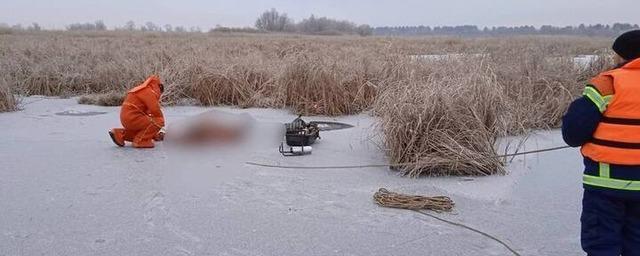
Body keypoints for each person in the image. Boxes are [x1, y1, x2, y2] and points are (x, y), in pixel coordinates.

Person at [562, 30, 640, 255]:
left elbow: (573, 133)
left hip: (606, 186)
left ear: (623, 56)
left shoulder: (608, 83)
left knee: (602, 246)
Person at [109, 75, 165, 148]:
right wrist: (161, 122)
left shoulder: (141, 89)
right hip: (133, 118)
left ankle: (119, 133)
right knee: (159, 120)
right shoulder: (148, 92)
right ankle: (141, 141)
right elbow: (155, 110)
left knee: (142, 131)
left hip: (127, 118)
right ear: (158, 87)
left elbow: (147, 118)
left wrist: (154, 135)